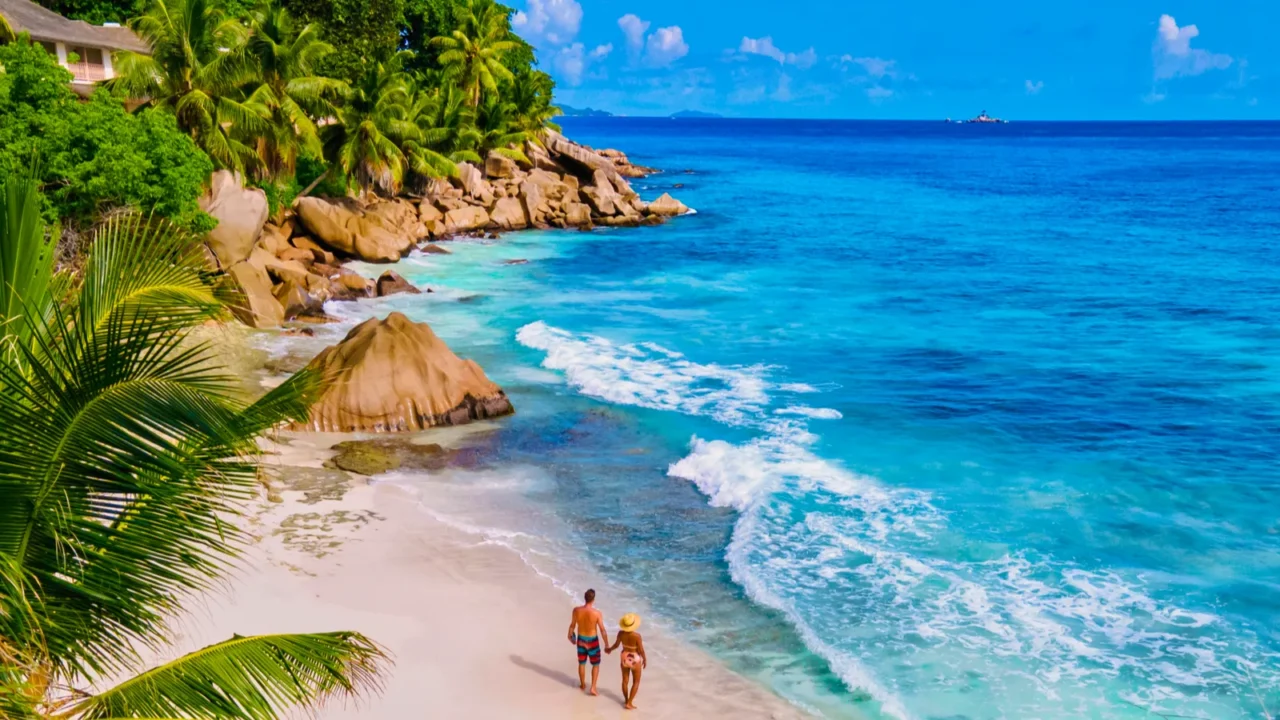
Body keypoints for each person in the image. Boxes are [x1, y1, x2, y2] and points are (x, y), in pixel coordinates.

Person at [567, 588, 609, 695]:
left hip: (581, 639)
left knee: (582, 663)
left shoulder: (576, 611)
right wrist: (607, 644)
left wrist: (570, 635)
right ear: (593, 600)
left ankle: (582, 684)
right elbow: (602, 630)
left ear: (584, 598)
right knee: (595, 664)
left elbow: (572, 625)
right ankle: (593, 688)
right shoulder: (597, 613)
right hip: (592, 641)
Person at [605, 613, 647, 710]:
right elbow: (641, 650)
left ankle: (626, 699)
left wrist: (609, 649)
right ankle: (629, 702)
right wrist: (645, 658)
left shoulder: (620, 633)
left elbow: (616, 645)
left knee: (625, 680)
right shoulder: (637, 636)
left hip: (624, 656)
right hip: (635, 658)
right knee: (636, 681)